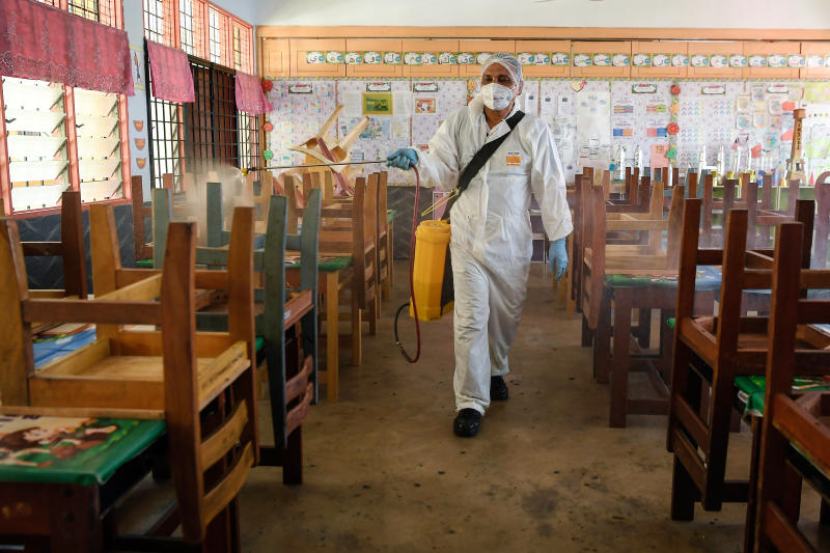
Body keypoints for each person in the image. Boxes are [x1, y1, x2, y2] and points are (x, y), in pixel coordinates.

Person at [387, 53, 572, 438]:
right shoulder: (459, 122)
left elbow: (550, 185)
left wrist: (558, 239)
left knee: (505, 317)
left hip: (511, 242)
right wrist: (418, 158)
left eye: (504, 79)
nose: (495, 85)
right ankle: (470, 401)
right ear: (478, 82)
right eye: (488, 77)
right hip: (466, 238)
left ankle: (495, 368)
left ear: (519, 87)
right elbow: (442, 167)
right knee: (470, 320)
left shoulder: (533, 129)